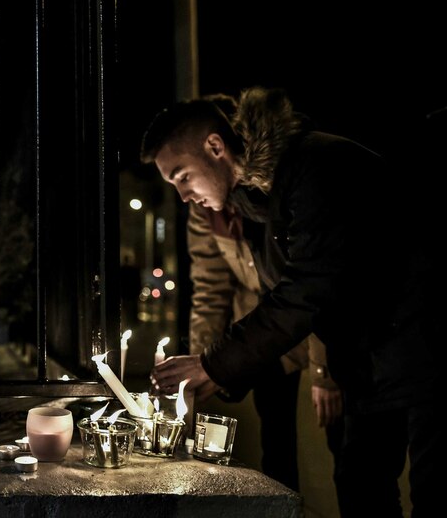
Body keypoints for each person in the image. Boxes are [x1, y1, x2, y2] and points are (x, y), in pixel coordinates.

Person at [141, 86, 438, 517]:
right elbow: (252, 292)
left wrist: (214, 364)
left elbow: (307, 290)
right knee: (360, 484)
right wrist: (209, 365)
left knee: (435, 492)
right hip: (370, 358)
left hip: (426, 344)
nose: (184, 196)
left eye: (183, 176)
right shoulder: (259, 202)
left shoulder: (315, 166)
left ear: (215, 146)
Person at [186, 93, 343, 492]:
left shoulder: (280, 184)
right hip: (262, 334)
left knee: (343, 442)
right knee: (276, 450)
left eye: (184, 176)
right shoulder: (206, 206)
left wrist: (325, 372)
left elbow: (314, 286)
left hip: (309, 329)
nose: (185, 193)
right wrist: (201, 364)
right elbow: (210, 286)